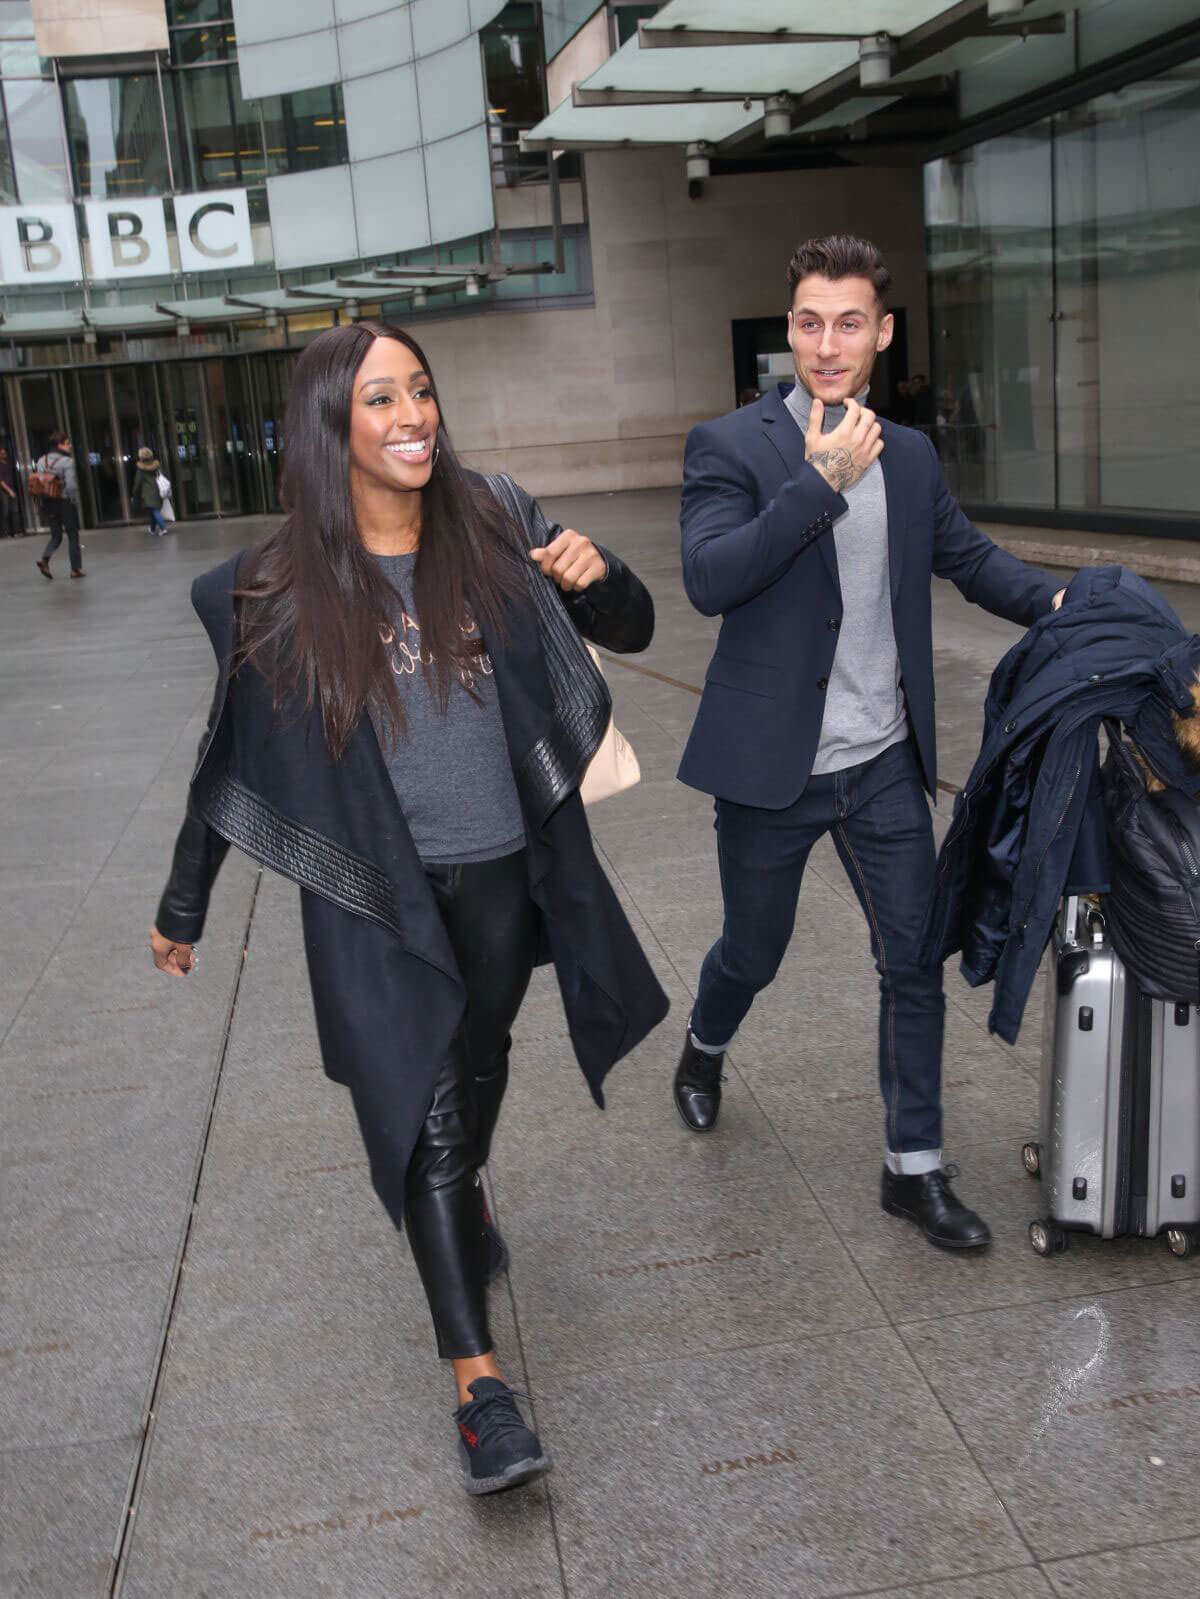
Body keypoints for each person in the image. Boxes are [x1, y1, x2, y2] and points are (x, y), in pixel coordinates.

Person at [149, 322, 668, 1494]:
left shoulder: (493, 520)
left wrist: (606, 575)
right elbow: (228, 754)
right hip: (377, 895)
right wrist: (186, 904)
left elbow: (630, 628)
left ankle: (461, 1210)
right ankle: (481, 1392)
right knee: (427, 1116)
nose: (412, 416)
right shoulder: (279, 586)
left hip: (501, 871)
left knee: (477, 1070)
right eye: (381, 399)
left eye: (422, 392)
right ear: (331, 428)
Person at [672, 234, 1064, 1252]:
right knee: (752, 951)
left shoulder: (915, 456)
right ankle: (707, 1043)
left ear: (882, 334)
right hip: (772, 770)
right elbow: (712, 578)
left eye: (851, 322)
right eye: (810, 321)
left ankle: (914, 1169)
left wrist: (1066, 599)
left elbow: (970, 562)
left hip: (882, 762)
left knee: (910, 962)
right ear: (789, 330)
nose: (829, 342)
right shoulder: (733, 447)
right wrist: (821, 483)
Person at [34, 432, 84, 580]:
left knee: (56, 536)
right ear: (59, 444)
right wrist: (73, 501)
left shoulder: (41, 460)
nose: (69, 446)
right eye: (67, 443)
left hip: (48, 503)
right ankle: (75, 570)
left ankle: (45, 560)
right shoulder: (67, 461)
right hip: (65, 502)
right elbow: (71, 486)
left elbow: (39, 481)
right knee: (73, 535)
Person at [131, 446, 167, 535]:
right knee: (153, 512)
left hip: (148, 493)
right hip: (158, 490)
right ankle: (152, 528)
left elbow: (138, 482)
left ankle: (163, 528)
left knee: (155, 511)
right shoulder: (156, 466)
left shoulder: (141, 469)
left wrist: (134, 492)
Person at [0, 446, 21, 537]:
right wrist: (9, 491)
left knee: (15, 511)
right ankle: (6, 533)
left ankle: (16, 532)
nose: (4, 454)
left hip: (12, 488)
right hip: (4, 490)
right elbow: (1, 481)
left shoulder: (9, 464)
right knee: (6, 512)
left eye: (4, 453)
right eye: (2, 453)